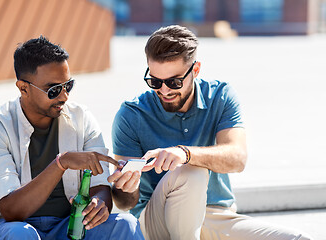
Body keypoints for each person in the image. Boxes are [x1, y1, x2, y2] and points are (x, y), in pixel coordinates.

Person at [107, 25, 313, 240]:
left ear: (195, 70)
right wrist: (127, 187)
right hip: (156, 221)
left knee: (299, 239)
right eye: (155, 81)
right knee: (190, 172)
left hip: (215, 216)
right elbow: (124, 203)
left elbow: (237, 158)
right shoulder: (131, 114)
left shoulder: (220, 96)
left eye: (174, 82)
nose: (164, 90)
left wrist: (185, 153)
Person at [0, 36, 144, 240]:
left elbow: (100, 187)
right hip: (13, 227)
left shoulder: (81, 118)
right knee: (20, 234)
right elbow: (12, 211)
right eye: (53, 90)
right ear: (23, 88)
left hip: (71, 224)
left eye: (68, 86)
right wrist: (62, 163)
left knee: (125, 224)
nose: (64, 96)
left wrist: (98, 204)